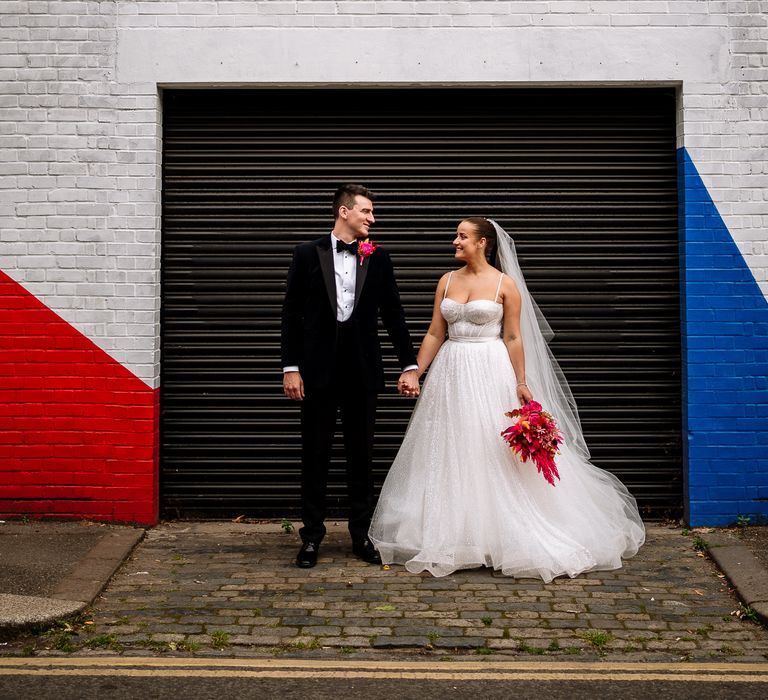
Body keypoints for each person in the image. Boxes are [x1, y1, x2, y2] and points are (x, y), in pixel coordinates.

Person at [369, 217, 645, 581]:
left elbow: (513, 337)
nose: (455, 242)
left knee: (487, 446)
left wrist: (521, 381)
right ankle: (456, 532)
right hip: (451, 370)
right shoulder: (447, 281)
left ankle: (499, 531)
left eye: (462, 236)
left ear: (483, 242)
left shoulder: (505, 284)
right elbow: (436, 331)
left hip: (489, 370)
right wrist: (414, 371)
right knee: (451, 447)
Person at [281, 184, 419, 569]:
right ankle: (311, 538)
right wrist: (290, 367)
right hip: (316, 372)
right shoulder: (307, 253)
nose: (372, 219)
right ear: (344, 212)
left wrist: (408, 363)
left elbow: (393, 314)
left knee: (362, 456)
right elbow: (291, 314)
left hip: (362, 370)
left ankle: (362, 536)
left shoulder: (378, 257)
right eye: (366, 212)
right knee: (315, 455)